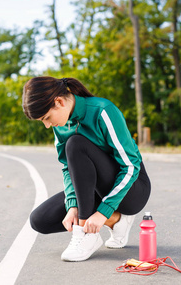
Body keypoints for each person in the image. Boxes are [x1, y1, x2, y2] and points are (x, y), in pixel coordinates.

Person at [22, 76, 151, 262]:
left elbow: (130, 166)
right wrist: (72, 204)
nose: (47, 125)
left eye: (47, 118)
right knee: (40, 219)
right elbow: (68, 168)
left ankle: (85, 234)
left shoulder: (102, 111)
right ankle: (117, 221)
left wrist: (102, 212)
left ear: (58, 101)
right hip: (95, 188)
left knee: (75, 144)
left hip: (133, 189)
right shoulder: (61, 124)